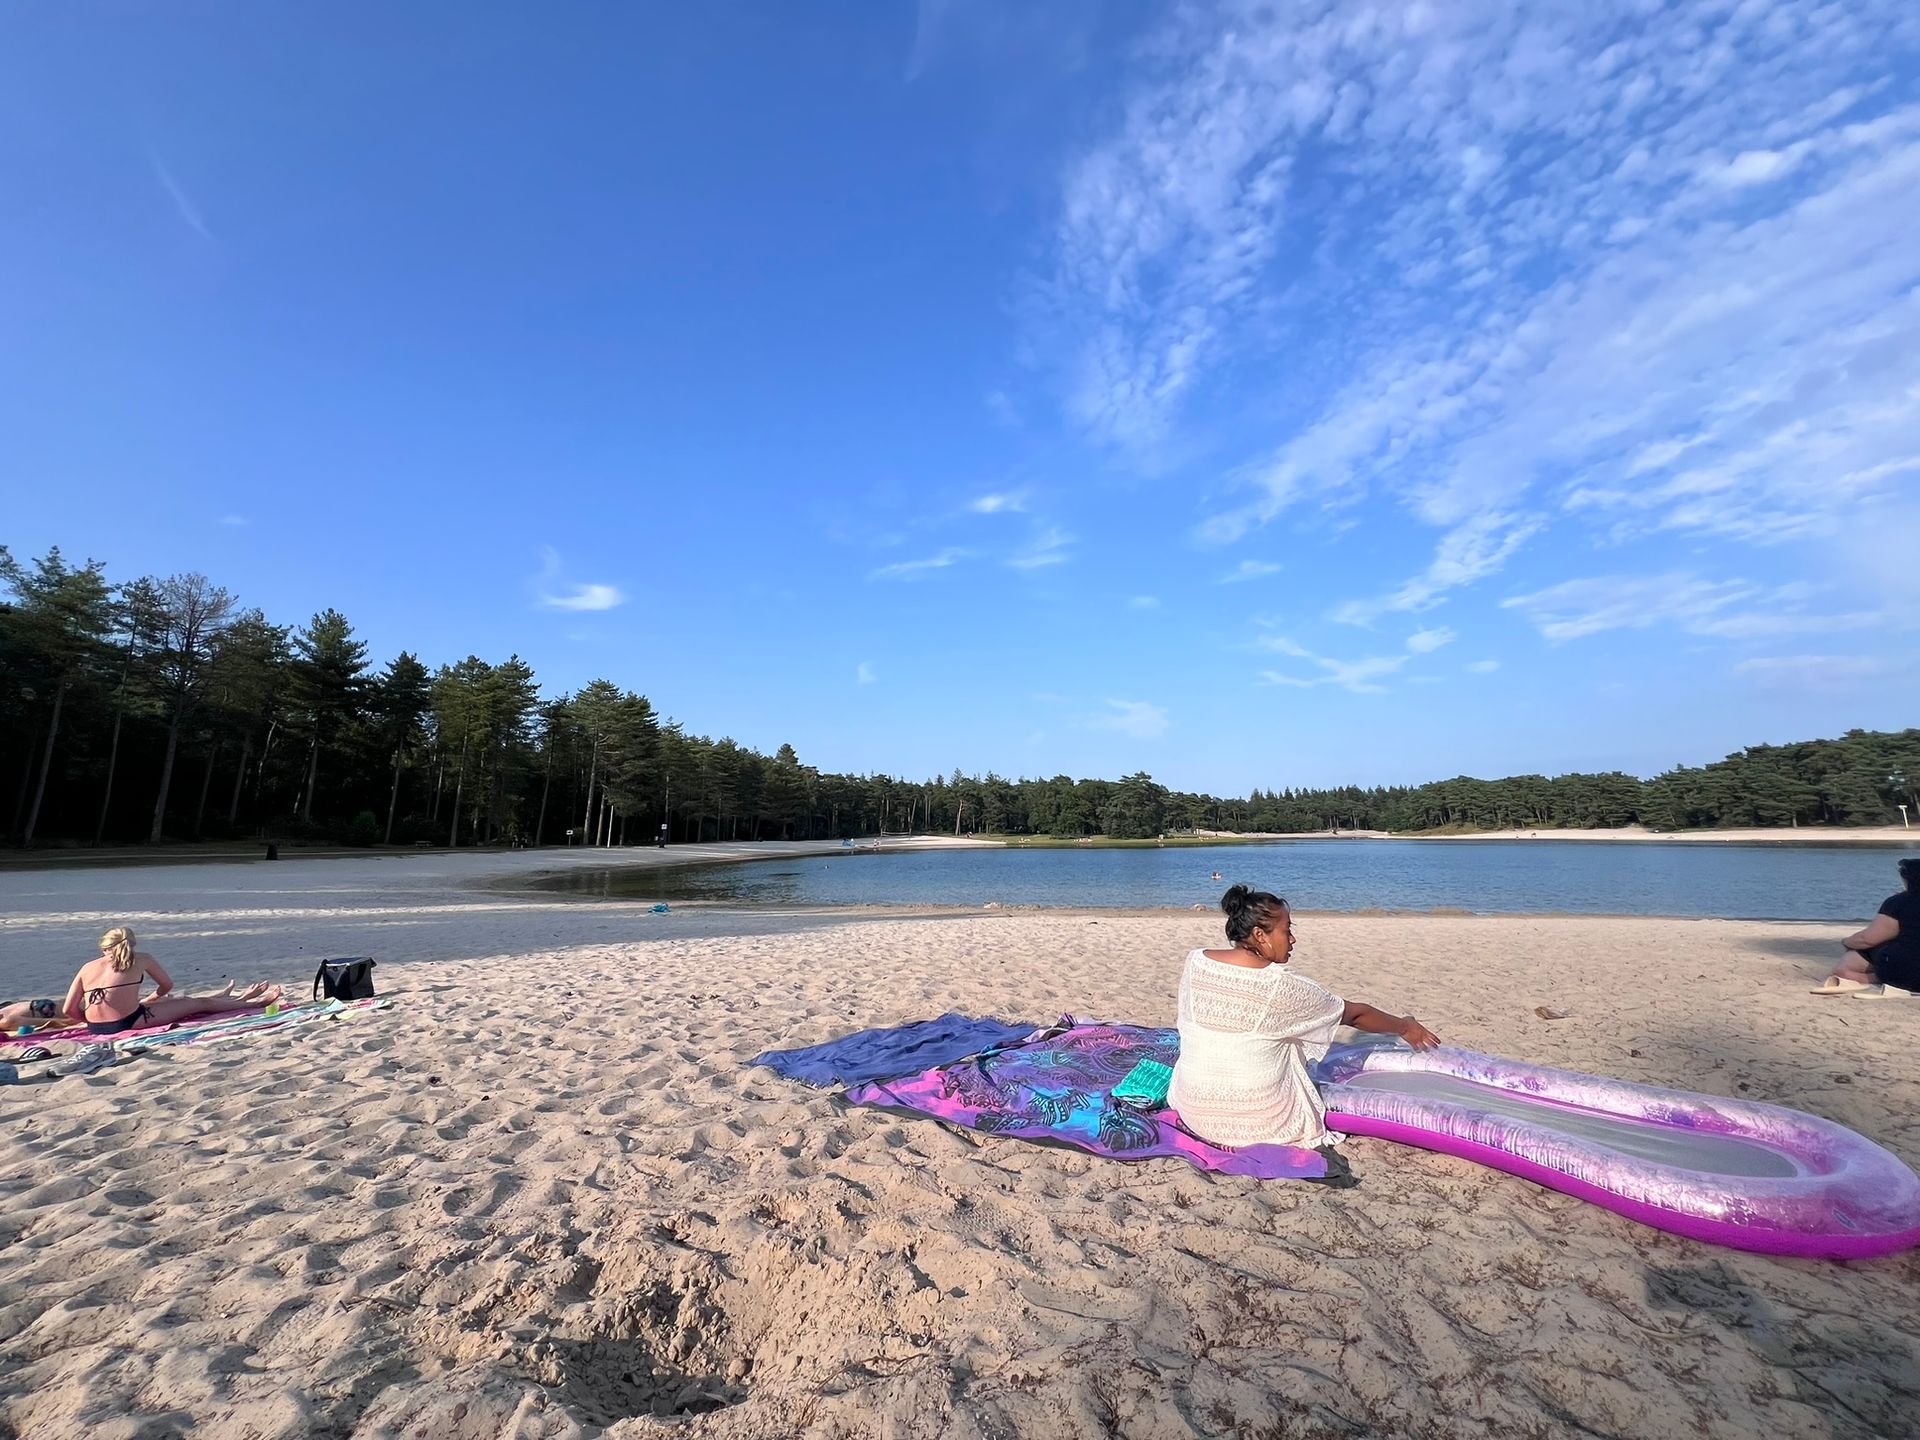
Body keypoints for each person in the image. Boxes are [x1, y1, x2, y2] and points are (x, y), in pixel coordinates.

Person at [1168, 884, 1440, 1149]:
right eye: (1287, 931)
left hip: (1192, 1107)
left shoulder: (1196, 960)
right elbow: (1356, 1015)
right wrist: (1406, 1027)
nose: (1292, 939)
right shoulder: (1281, 986)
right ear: (1260, 935)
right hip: (1257, 1122)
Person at [61, 927, 282, 1036]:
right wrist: (154, 997)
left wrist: (90, 1021)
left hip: (96, 1026)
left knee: (163, 1002)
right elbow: (167, 986)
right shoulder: (142, 959)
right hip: (127, 1022)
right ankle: (256, 1004)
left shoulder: (87, 967)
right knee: (195, 1003)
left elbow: (69, 1009)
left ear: (104, 948)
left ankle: (235, 998)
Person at [1812, 858, 1920, 998]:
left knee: (1860, 951)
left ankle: (1872, 979)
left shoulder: (1899, 902)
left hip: (1903, 974)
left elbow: (1866, 939)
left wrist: (1846, 942)